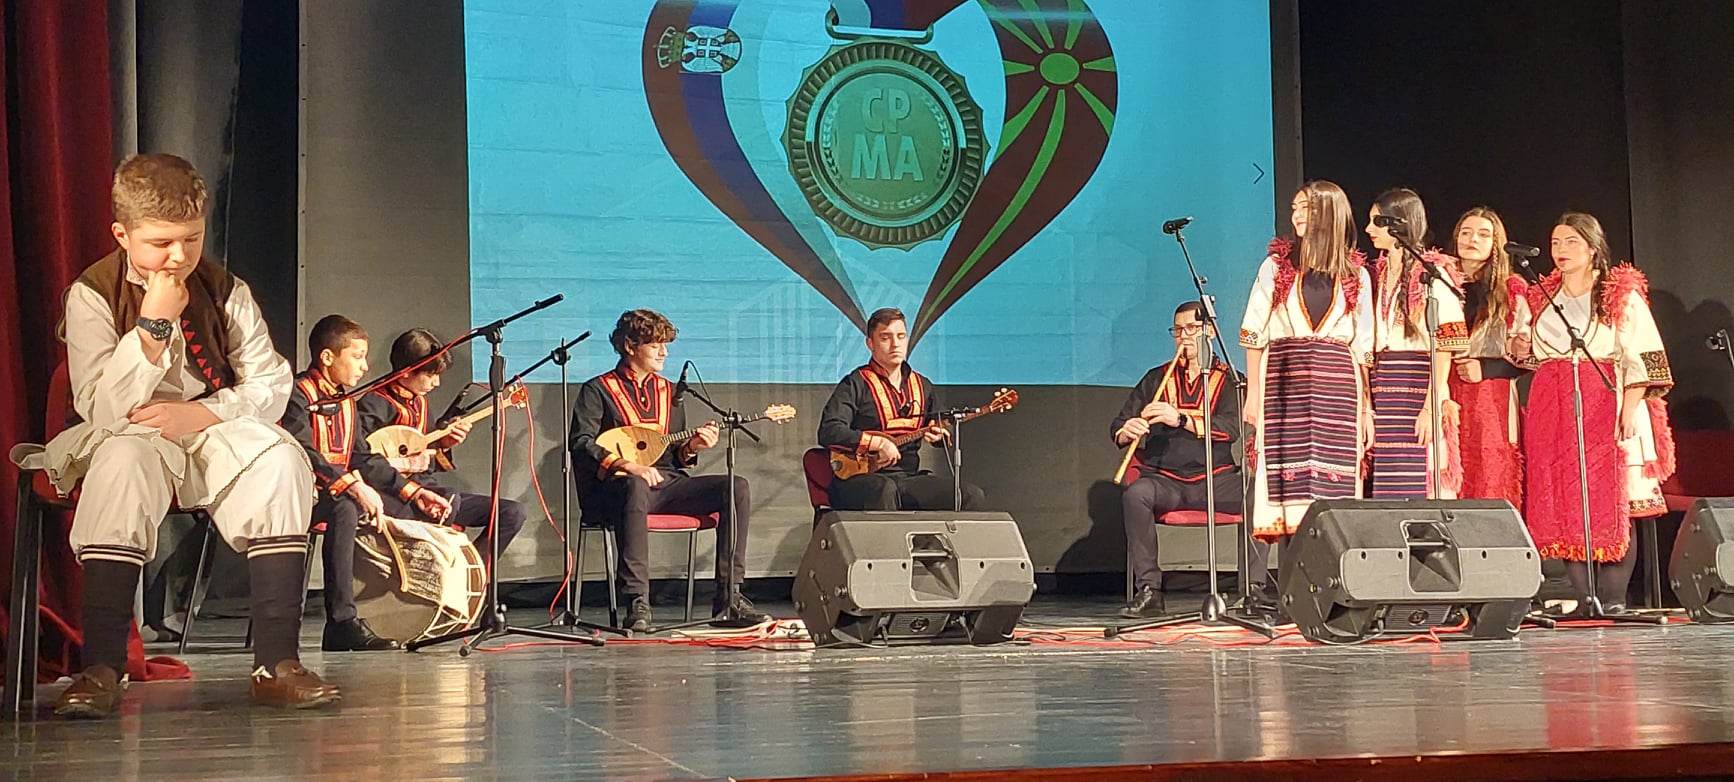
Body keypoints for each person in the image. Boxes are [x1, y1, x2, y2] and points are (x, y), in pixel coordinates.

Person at [41, 153, 338, 717]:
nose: (178, 256)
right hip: (128, 429)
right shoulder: (92, 293)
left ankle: (276, 663)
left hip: (210, 424)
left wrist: (202, 415)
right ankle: (101, 667)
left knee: (279, 459)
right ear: (122, 235)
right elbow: (102, 408)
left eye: (192, 239)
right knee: (121, 463)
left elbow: (271, 383)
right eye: (161, 243)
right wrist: (152, 327)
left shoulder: (225, 290)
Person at [1510, 212, 1675, 612]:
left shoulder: (1618, 293)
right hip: (1554, 404)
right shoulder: (1542, 295)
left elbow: (1643, 354)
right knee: (1567, 498)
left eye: (1571, 241)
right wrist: (1519, 347)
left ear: (1592, 247)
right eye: (1555, 242)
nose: (1561, 250)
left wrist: (1629, 408)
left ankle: (1614, 598)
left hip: (1607, 398)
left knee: (1613, 498)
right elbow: (1528, 354)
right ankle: (1585, 598)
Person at [567, 309, 768, 632]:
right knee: (634, 484)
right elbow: (581, 443)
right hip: (615, 491)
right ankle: (637, 600)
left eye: (666, 345)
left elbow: (674, 456)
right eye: (655, 345)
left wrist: (693, 447)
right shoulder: (598, 389)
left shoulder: (670, 392)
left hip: (665, 484)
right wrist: (627, 465)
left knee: (736, 487)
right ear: (630, 346)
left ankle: (729, 598)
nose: (664, 352)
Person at [280, 315, 441, 651]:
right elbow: (302, 451)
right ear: (327, 357)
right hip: (292, 496)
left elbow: (362, 457)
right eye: (357, 357)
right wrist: (353, 486)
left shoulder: (346, 402)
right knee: (345, 507)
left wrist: (414, 492)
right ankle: (341, 623)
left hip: (331, 495)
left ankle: (407, 609)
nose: (365, 367)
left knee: (391, 508)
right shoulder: (296, 394)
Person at [1239, 180, 1374, 540]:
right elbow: (1253, 331)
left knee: (1333, 485)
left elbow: (1363, 346)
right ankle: (1289, 567)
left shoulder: (1355, 274)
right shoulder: (1277, 267)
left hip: (1337, 388)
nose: (1297, 215)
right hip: (1285, 382)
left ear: (1330, 213)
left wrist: (1367, 410)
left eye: (1307, 208)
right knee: (1287, 481)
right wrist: (1253, 394)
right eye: (1295, 208)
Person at [1111, 302, 1263, 618]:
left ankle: (1252, 592)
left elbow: (1232, 429)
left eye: (1191, 329)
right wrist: (1127, 430)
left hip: (1216, 480)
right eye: (1178, 330)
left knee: (1257, 496)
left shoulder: (1231, 380)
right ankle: (1150, 591)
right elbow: (1119, 425)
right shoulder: (1156, 379)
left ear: (1209, 332)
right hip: (1165, 481)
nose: (1184, 337)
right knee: (1136, 495)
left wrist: (1180, 419)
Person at [354, 328, 525, 566]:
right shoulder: (374, 403)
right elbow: (361, 460)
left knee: (511, 513)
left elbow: (428, 462)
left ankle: (472, 574)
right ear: (406, 372)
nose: (437, 383)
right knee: (449, 502)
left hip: (428, 490)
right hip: (392, 495)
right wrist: (406, 465)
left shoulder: (421, 404)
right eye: (430, 375)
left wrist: (444, 443)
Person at [817, 307, 987, 512]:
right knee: (884, 489)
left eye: (901, 336)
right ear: (870, 344)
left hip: (907, 477)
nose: (895, 344)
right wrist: (877, 443)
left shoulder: (922, 385)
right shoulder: (856, 383)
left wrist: (940, 435)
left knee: (968, 495)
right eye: (885, 338)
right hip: (860, 478)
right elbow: (829, 430)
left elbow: (940, 425)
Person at [1364, 188, 1468, 498]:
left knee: (1422, 477)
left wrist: (1430, 407)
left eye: (1376, 222)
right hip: (1386, 388)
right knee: (1390, 484)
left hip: (1418, 385)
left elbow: (1445, 345)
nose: (1368, 229)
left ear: (1399, 224)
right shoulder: (1380, 272)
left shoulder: (1431, 275)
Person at [1447, 207, 1531, 509]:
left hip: (1489, 394)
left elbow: (1529, 354)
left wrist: (1486, 367)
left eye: (1483, 235)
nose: (1472, 240)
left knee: (1488, 472)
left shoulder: (1510, 290)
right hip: (1445, 389)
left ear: (1496, 244)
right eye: (1466, 232)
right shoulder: (1438, 283)